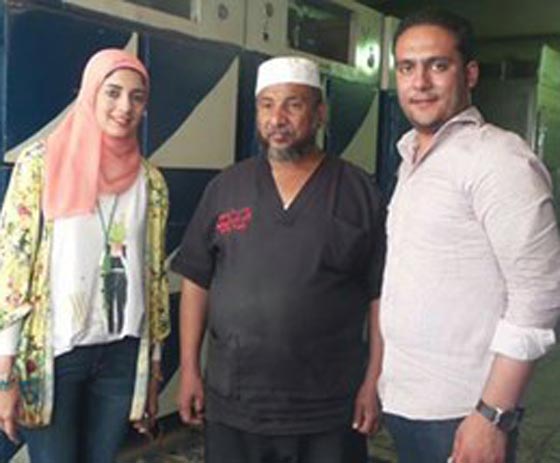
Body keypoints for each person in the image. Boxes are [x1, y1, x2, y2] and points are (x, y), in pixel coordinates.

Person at [172, 56, 386, 463]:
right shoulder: (226, 187)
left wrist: (373, 381)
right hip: (236, 401)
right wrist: (189, 370)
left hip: (327, 407)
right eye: (266, 105)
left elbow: (380, 296)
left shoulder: (358, 191)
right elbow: (196, 280)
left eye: (293, 104)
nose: (277, 119)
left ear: (320, 113)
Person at [376, 8, 560, 463]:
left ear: (470, 74)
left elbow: (539, 296)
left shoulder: (498, 159)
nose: (420, 82)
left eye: (437, 65)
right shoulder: (411, 159)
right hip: (407, 399)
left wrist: (492, 415)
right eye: (407, 68)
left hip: (464, 410)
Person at [0, 48, 170, 463]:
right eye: (112, 92)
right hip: (54, 354)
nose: (124, 107)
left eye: (137, 97)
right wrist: (4, 374)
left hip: (121, 354)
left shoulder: (150, 183)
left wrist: (153, 368)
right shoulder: (40, 165)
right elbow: (13, 267)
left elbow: (154, 279)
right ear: (90, 92)